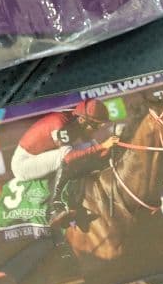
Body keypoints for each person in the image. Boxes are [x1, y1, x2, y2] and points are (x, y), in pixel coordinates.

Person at [11, 99, 117, 230]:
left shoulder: (77, 121)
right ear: (82, 120)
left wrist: (108, 149)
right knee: (63, 157)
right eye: (95, 126)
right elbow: (68, 157)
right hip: (23, 164)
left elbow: (96, 149)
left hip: (40, 155)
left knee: (87, 147)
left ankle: (75, 203)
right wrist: (102, 146)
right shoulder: (60, 124)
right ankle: (56, 207)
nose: (96, 130)